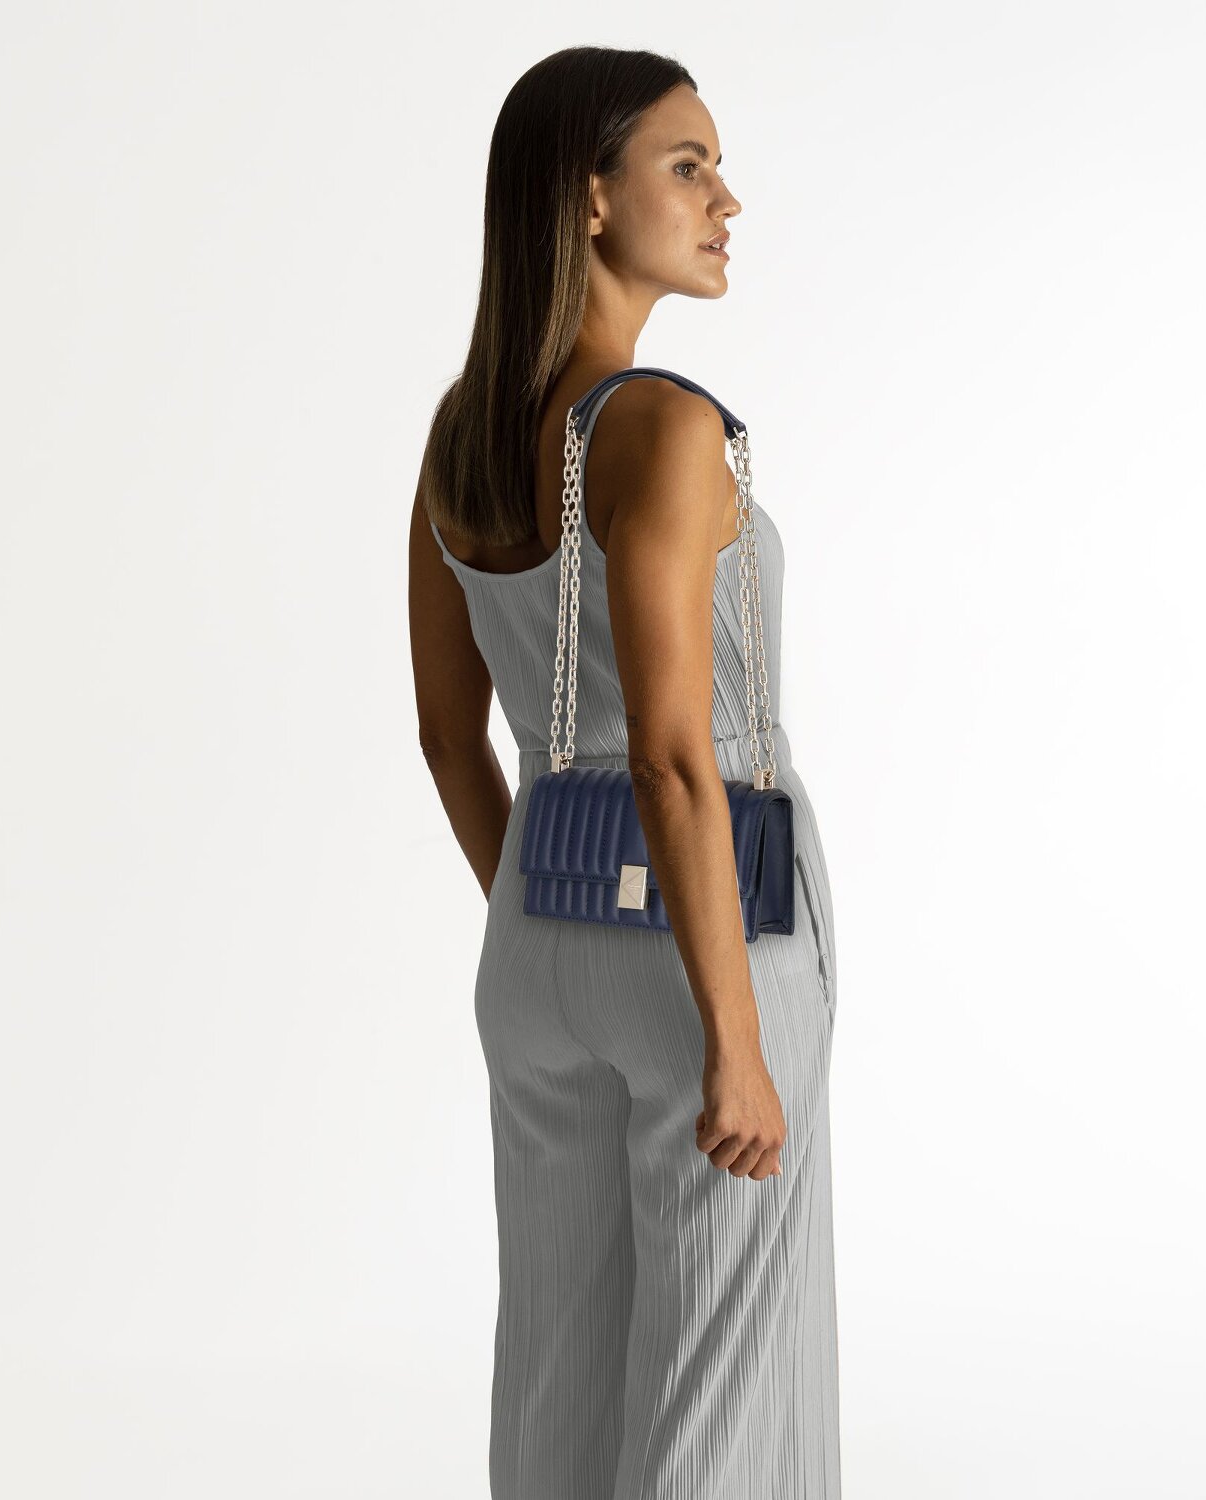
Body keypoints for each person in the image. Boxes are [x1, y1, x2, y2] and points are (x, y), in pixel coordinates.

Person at [407, 45, 841, 1500]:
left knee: (561, 1364)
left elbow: (447, 733)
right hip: (709, 930)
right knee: (723, 1382)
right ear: (589, 198)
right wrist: (733, 1034)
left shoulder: (464, 435)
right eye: (688, 165)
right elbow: (668, 751)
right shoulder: (665, 425)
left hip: (536, 937)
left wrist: (547, 911)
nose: (728, 200)